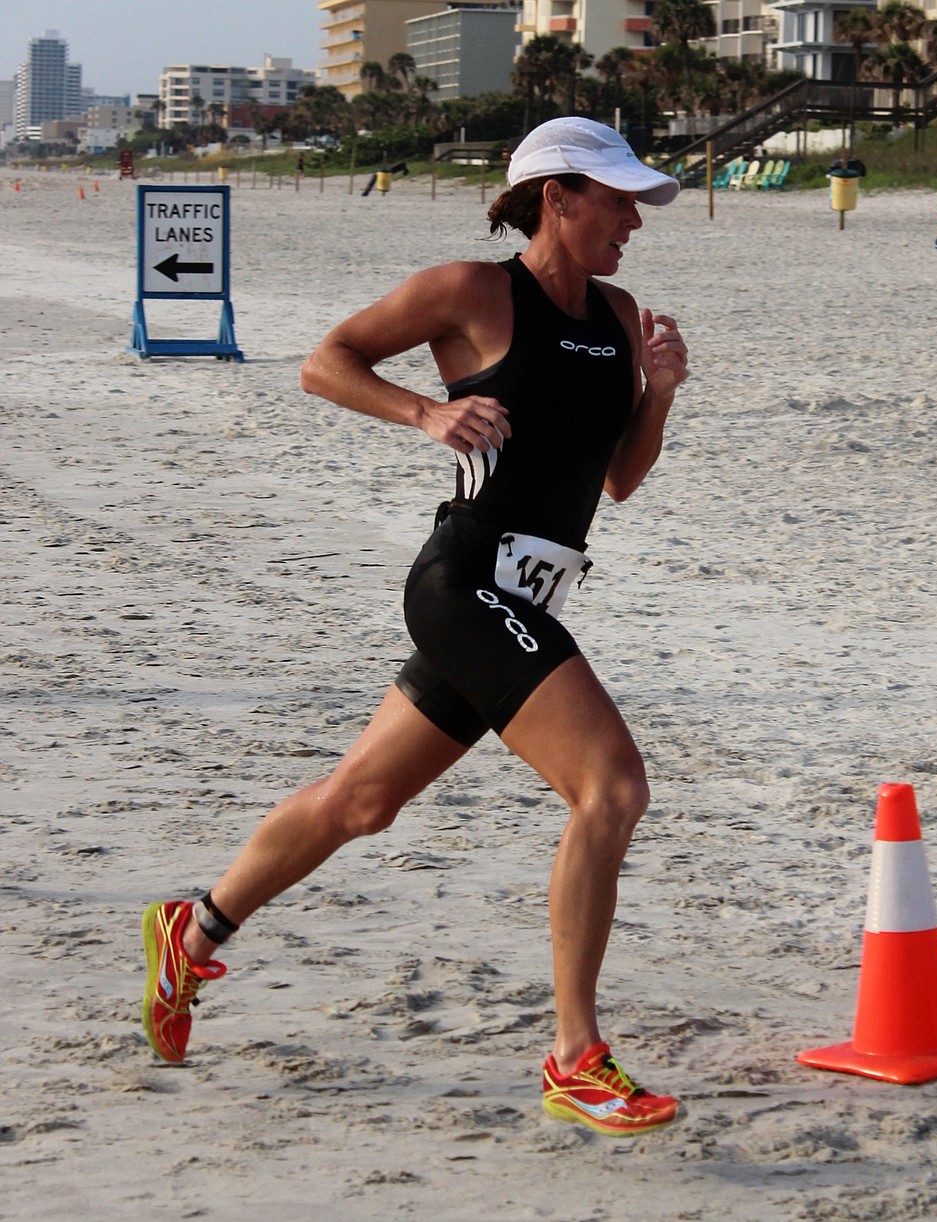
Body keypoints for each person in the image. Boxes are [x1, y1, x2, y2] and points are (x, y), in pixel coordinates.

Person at [141, 116, 690, 1137]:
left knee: (360, 801)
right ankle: (575, 1057)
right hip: (461, 583)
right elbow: (325, 361)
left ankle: (194, 927)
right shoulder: (471, 292)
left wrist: (655, 395)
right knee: (612, 786)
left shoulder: (619, 315)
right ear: (556, 198)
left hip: (526, 600)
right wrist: (424, 413)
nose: (632, 221)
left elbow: (617, 479)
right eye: (616, 201)